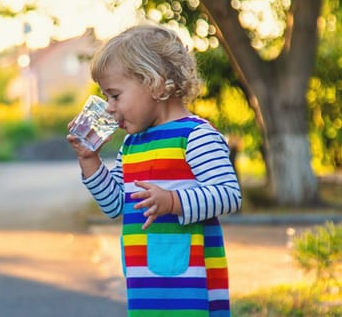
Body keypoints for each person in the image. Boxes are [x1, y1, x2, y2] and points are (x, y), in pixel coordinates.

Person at [66, 24, 242, 316]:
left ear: (156, 85)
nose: (109, 108)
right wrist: (90, 161)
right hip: (145, 285)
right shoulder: (132, 144)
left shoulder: (195, 136)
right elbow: (114, 205)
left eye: (115, 95)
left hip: (193, 291)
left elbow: (229, 195)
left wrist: (173, 202)